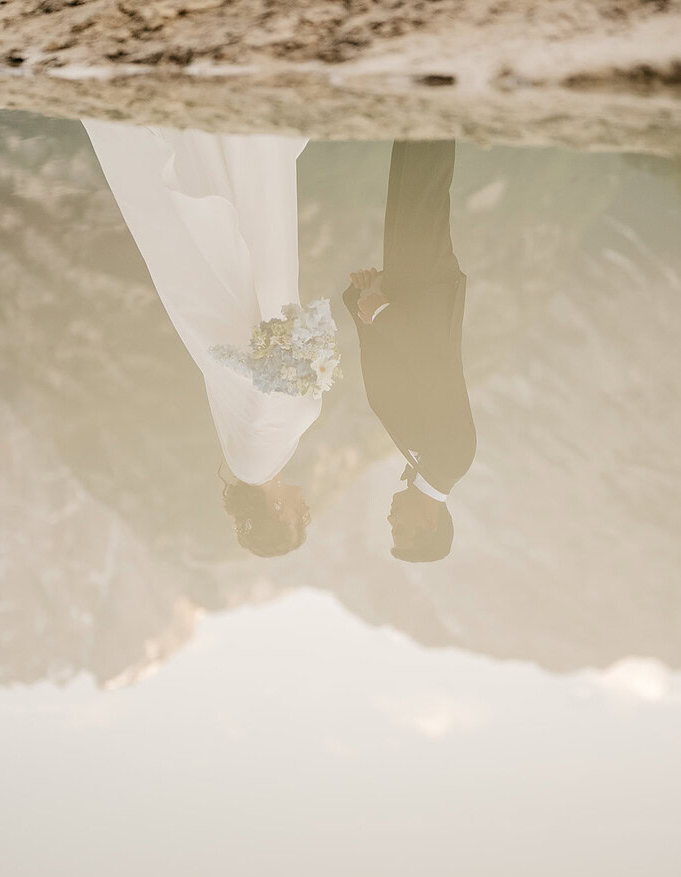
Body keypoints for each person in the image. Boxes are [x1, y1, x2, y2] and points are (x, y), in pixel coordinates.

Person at [83, 122, 319, 557]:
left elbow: (260, 390)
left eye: (299, 520)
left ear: (280, 516)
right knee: (257, 218)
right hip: (270, 323)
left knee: (250, 223)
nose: (306, 510)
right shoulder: (255, 461)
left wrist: (296, 354)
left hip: (263, 319)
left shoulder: (255, 462)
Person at [343, 140, 476, 562]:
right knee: (424, 182)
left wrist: (366, 297)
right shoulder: (452, 458)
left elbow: (396, 372)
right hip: (427, 290)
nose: (390, 521)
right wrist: (381, 313)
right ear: (431, 523)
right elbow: (434, 370)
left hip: (406, 292)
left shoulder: (421, 464)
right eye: (402, 530)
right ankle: (437, 92)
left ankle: (416, 105)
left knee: (405, 178)